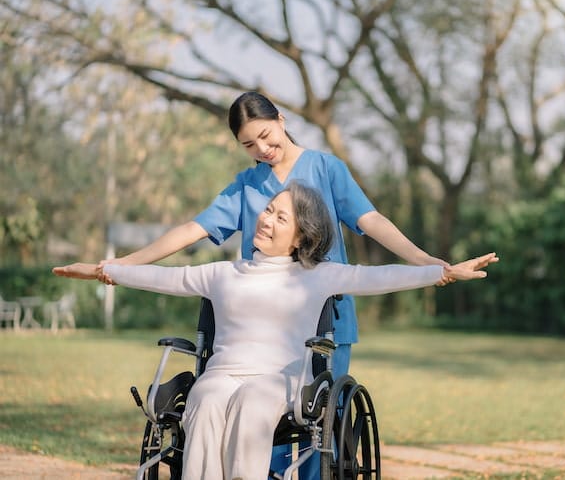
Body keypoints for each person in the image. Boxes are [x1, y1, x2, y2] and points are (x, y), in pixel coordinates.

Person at [55, 90, 449, 480]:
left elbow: (370, 220)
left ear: (281, 119)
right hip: (250, 327)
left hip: (324, 319)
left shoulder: (327, 169)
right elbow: (193, 230)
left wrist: (426, 261)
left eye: (266, 135)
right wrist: (120, 265)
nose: (262, 148)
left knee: (319, 434)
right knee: (256, 430)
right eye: (249, 144)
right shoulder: (247, 185)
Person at [53, 182, 498, 480]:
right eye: (267, 210)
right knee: (205, 403)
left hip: (280, 381)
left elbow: (379, 276)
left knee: (250, 403)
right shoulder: (222, 273)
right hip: (222, 374)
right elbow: (162, 277)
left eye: (280, 218)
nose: (266, 220)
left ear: (302, 236)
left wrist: (442, 273)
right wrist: (102, 271)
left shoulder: (319, 275)